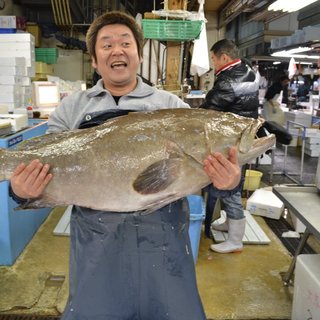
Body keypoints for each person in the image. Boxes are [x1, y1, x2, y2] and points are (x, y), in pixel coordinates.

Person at [9, 12, 242, 320]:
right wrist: (20, 190)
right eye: (106, 45)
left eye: (125, 43)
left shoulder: (172, 107)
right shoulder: (72, 109)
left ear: (138, 55)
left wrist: (227, 181)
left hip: (165, 243)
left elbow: (203, 174)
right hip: (96, 246)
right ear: (94, 60)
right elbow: (44, 168)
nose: (117, 50)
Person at [201, 39, 260, 253]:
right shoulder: (248, 70)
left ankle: (235, 240)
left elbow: (209, 110)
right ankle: (229, 224)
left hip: (230, 143)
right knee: (232, 184)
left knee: (230, 187)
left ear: (224, 58)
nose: (213, 64)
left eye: (214, 59)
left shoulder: (228, 81)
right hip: (241, 137)